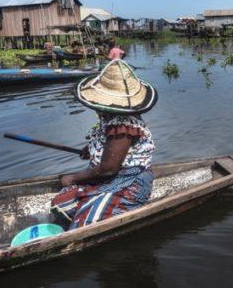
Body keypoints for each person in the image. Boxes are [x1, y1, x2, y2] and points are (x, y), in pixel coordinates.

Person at [51, 59, 157, 229]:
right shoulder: (109, 118)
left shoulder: (123, 125)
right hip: (110, 176)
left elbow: (108, 169)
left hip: (129, 182)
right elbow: (107, 145)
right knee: (60, 204)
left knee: (83, 225)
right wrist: (92, 150)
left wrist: (74, 177)